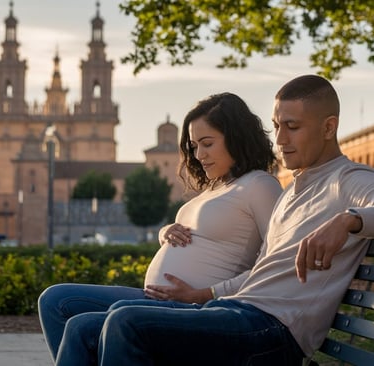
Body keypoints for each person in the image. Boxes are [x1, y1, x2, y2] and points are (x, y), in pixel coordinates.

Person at [51, 74, 374, 366]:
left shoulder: (349, 180)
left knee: (126, 322)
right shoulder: (295, 190)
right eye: (276, 126)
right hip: (239, 311)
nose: (280, 139)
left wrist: (348, 220)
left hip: (275, 330)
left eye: (292, 127)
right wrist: (208, 294)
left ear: (329, 127)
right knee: (84, 327)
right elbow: (262, 269)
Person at [38, 92, 283, 363]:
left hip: (197, 307)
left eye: (207, 144)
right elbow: (198, 233)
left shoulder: (260, 185)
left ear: (236, 138)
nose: (199, 155)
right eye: (193, 146)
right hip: (159, 298)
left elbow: (274, 263)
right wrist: (164, 232)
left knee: (82, 327)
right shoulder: (216, 187)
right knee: (55, 300)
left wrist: (205, 293)